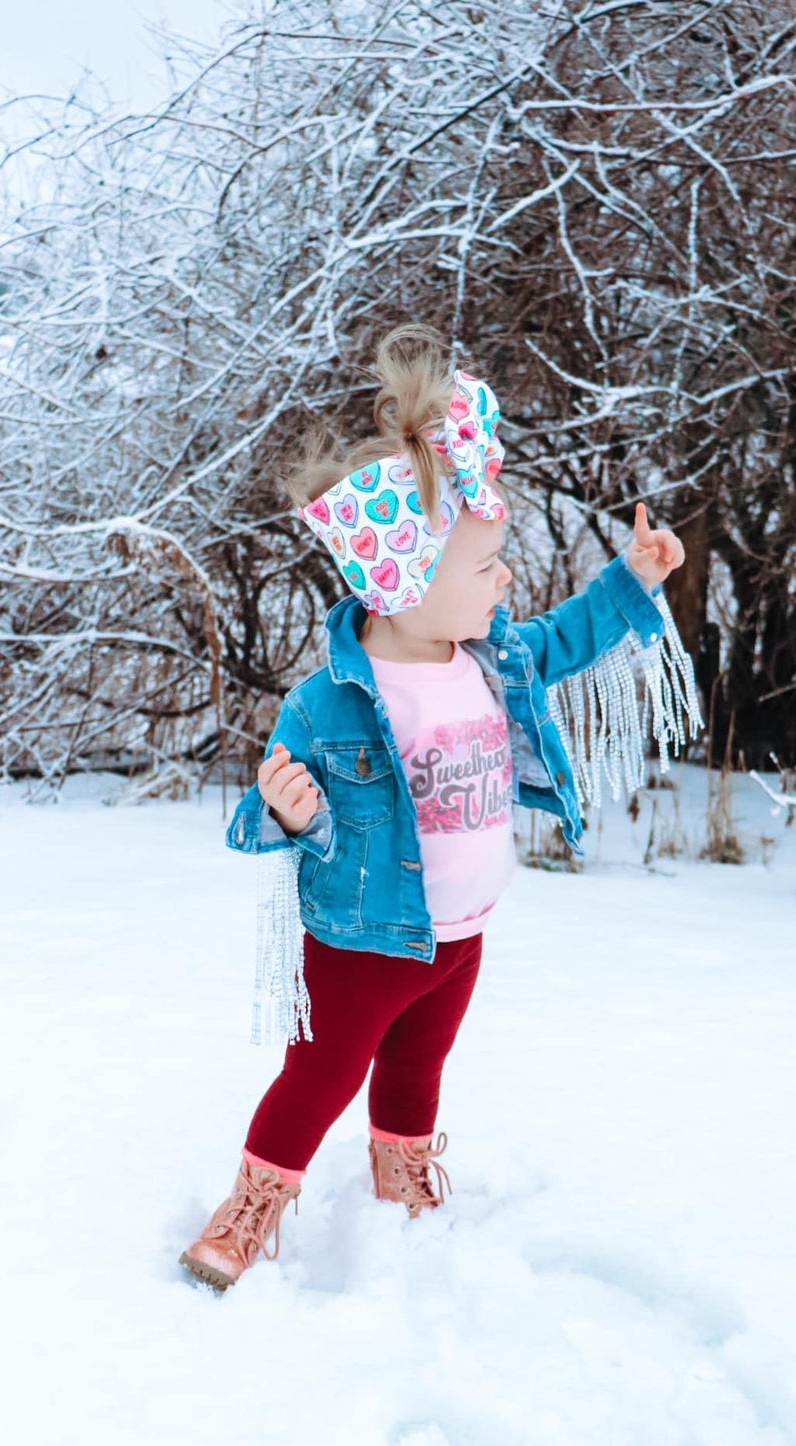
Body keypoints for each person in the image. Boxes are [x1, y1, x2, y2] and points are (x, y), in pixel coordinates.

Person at [179, 324, 701, 1292]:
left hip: (461, 933)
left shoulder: (487, 656)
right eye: (482, 567)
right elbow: (264, 806)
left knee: (420, 1066)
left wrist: (632, 582)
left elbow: (564, 638)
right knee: (318, 1078)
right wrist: (287, 812)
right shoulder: (335, 696)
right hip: (360, 944)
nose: (501, 579)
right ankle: (253, 1202)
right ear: (403, 582)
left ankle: (401, 1170)